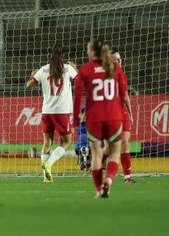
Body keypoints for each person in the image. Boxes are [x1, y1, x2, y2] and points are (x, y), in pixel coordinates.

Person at [73, 39, 127, 198]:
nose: (87, 52)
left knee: (96, 155)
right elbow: (122, 91)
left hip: (94, 117)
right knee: (114, 153)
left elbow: (77, 96)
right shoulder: (115, 68)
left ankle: (98, 190)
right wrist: (120, 108)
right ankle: (108, 181)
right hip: (113, 116)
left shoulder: (86, 69)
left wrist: (76, 117)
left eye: (88, 49)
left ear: (92, 52)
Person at [26, 44, 78, 182]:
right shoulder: (67, 69)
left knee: (47, 143)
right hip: (61, 112)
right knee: (67, 141)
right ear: (63, 56)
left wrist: (32, 75)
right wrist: (75, 68)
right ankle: (49, 164)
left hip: (46, 112)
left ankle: (46, 177)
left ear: (50, 55)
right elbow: (81, 82)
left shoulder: (43, 70)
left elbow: (28, 86)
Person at [101, 51, 136, 183]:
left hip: (122, 113)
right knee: (110, 148)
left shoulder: (123, 76)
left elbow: (126, 96)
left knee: (125, 143)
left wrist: (131, 114)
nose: (119, 62)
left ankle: (127, 176)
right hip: (110, 114)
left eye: (120, 59)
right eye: (116, 60)